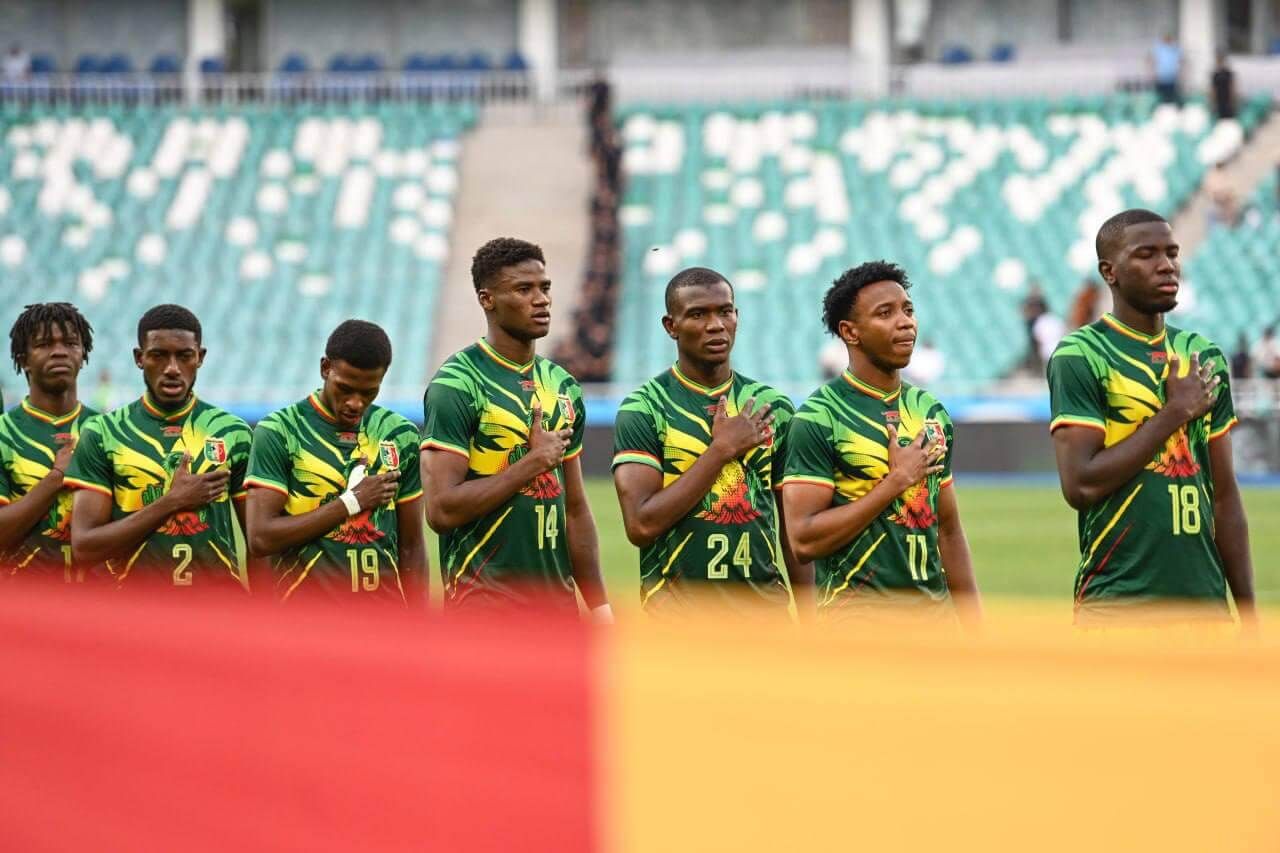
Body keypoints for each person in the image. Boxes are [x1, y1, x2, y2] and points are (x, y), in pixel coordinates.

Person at [1047, 209, 1253, 627]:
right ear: (1110, 271)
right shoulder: (1081, 355)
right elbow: (1081, 485)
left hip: (1207, 612)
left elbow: (1225, 497)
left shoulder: (1203, 356)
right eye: (1147, 254)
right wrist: (1174, 412)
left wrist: (1249, 618)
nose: (1166, 265)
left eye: (1172, 252)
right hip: (1119, 608)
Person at [780, 261, 982, 625]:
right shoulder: (818, 418)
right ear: (850, 332)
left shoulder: (930, 411)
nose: (905, 322)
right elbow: (804, 541)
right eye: (885, 313)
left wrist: (974, 630)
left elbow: (949, 530)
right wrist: (896, 482)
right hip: (857, 630)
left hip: (936, 629)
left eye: (908, 310)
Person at [420, 238, 610, 619]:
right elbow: (441, 510)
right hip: (482, 612)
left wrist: (600, 607)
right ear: (487, 299)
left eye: (545, 288)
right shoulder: (457, 384)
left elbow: (575, 509)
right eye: (524, 290)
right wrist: (532, 463)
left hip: (558, 615)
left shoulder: (563, 386)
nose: (541, 300)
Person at [611, 267, 809, 616]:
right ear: (671, 326)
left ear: (737, 317)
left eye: (725, 311)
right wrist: (721, 450)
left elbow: (795, 531)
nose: (716, 325)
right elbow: (641, 525)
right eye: (698, 314)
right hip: (678, 624)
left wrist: (812, 620)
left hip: (767, 618)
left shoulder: (773, 407)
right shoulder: (645, 408)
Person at [66, 305, 252, 591]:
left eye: (184, 356)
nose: (172, 369)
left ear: (200, 357)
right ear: (139, 358)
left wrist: (265, 609)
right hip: (137, 612)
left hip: (219, 609)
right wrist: (172, 501)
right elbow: (85, 548)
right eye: (158, 355)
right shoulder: (103, 433)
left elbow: (259, 543)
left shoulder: (233, 432)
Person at [245, 320, 426, 606]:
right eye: (345, 388)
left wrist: (420, 622)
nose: (355, 403)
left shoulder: (400, 434)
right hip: (307, 620)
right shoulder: (280, 431)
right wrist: (352, 502)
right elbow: (261, 538)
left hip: (385, 619)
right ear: (325, 368)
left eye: (368, 392)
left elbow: (412, 547)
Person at [0, 303, 97, 581]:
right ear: (24, 359)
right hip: (23, 602)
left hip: (98, 601)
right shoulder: (4, 433)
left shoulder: (108, 432)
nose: (59, 351)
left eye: (71, 343)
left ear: (83, 355)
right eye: (44, 344)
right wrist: (57, 477)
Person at [1150, 32, 1183, 105]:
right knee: (1161, 98)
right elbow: (1153, 62)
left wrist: (1180, 75)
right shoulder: (1158, 48)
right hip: (1161, 77)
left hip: (1172, 77)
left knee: (1172, 98)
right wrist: (1153, 74)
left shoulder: (1175, 48)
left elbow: (1180, 61)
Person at [1210, 50, 1237, 122]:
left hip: (1227, 100)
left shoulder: (1228, 73)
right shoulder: (1215, 74)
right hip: (1219, 101)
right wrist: (1213, 103)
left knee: (1229, 120)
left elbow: (1232, 87)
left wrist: (1233, 101)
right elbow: (1213, 90)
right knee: (1220, 120)